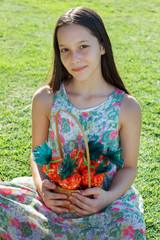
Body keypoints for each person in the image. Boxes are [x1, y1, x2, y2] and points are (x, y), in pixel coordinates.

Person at [0, 6, 146, 240]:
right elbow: (37, 152)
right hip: (56, 199)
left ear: (102, 46)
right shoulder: (46, 98)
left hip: (101, 202)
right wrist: (42, 189)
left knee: (130, 225)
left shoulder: (126, 107)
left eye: (83, 47)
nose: (74, 58)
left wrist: (107, 198)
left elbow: (129, 167)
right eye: (65, 50)